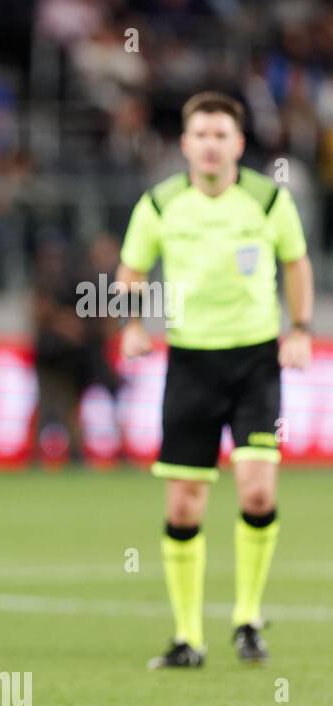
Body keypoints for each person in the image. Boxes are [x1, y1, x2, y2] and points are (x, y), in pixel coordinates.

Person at [116, 92, 313, 668]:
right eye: (200, 134)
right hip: (190, 362)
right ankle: (187, 638)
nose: (210, 144)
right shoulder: (160, 203)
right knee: (184, 508)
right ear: (184, 144)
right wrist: (131, 325)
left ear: (238, 144)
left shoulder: (268, 199)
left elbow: (296, 262)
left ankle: (248, 619)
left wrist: (299, 328)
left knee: (257, 490)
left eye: (220, 135)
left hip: (255, 361)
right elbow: (131, 270)